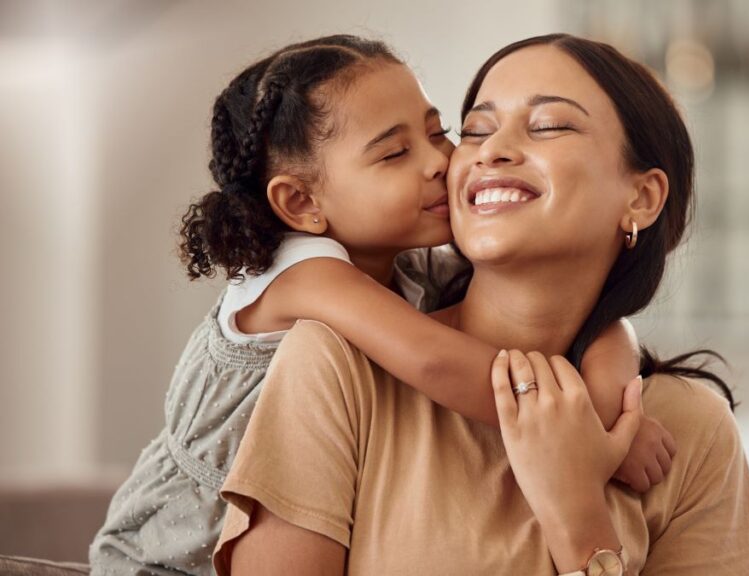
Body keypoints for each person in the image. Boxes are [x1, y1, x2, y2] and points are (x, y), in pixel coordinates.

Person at [89, 34, 673, 576]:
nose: (440, 161)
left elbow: (594, 318)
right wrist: (585, 433)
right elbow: (440, 363)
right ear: (301, 202)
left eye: (440, 131)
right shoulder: (305, 278)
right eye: (395, 154)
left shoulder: (410, 268)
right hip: (164, 556)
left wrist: (613, 390)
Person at [214, 34, 749, 575]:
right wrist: (588, 424)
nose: (490, 153)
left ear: (642, 196)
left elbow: (610, 329)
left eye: (549, 125)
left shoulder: (688, 429)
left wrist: (578, 516)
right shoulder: (335, 363)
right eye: (477, 130)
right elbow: (434, 360)